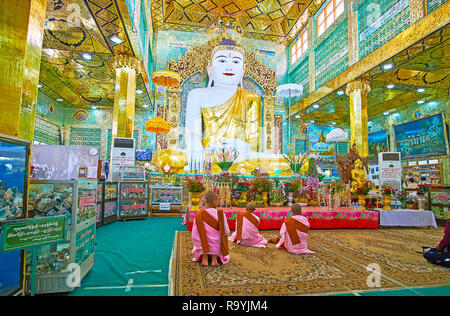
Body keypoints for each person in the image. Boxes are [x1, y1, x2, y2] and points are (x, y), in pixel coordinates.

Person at [191, 191, 230, 266]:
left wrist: (199, 243)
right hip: (216, 245)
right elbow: (226, 231)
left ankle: (205, 257)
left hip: (202, 245)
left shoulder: (198, 215)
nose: (218, 202)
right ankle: (214, 258)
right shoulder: (220, 214)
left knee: (203, 238)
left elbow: (194, 234)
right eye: (217, 200)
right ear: (214, 201)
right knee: (218, 238)